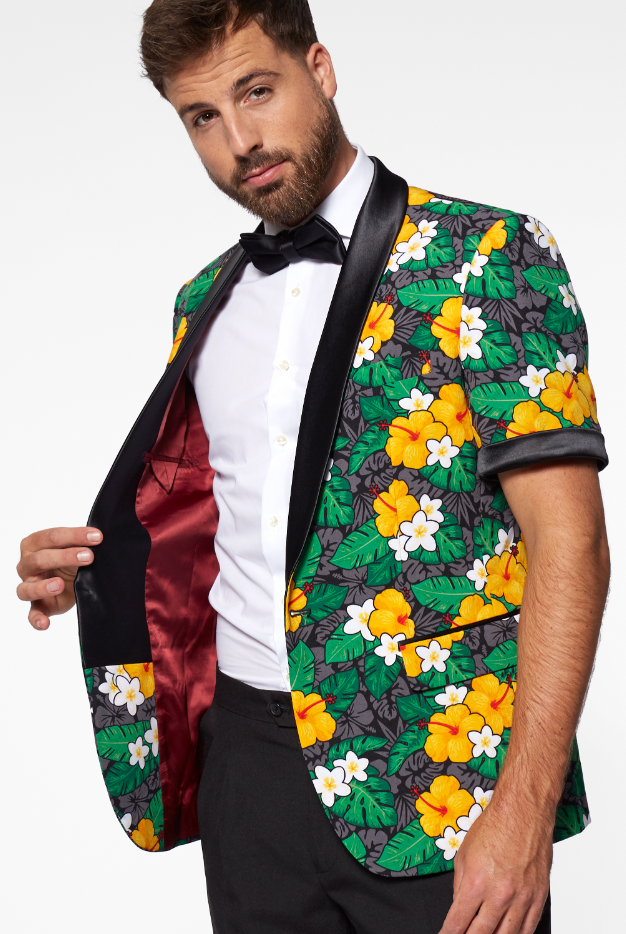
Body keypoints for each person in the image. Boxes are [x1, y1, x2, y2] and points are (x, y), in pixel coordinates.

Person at [16, 2, 610, 933]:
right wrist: (92, 571)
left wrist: (525, 808)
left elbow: (571, 546)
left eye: (257, 91)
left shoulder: (487, 255)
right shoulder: (201, 302)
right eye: (202, 116)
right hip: (248, 771)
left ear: (321, 70)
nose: (240, 141)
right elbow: (219, 523)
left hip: (441, 778)